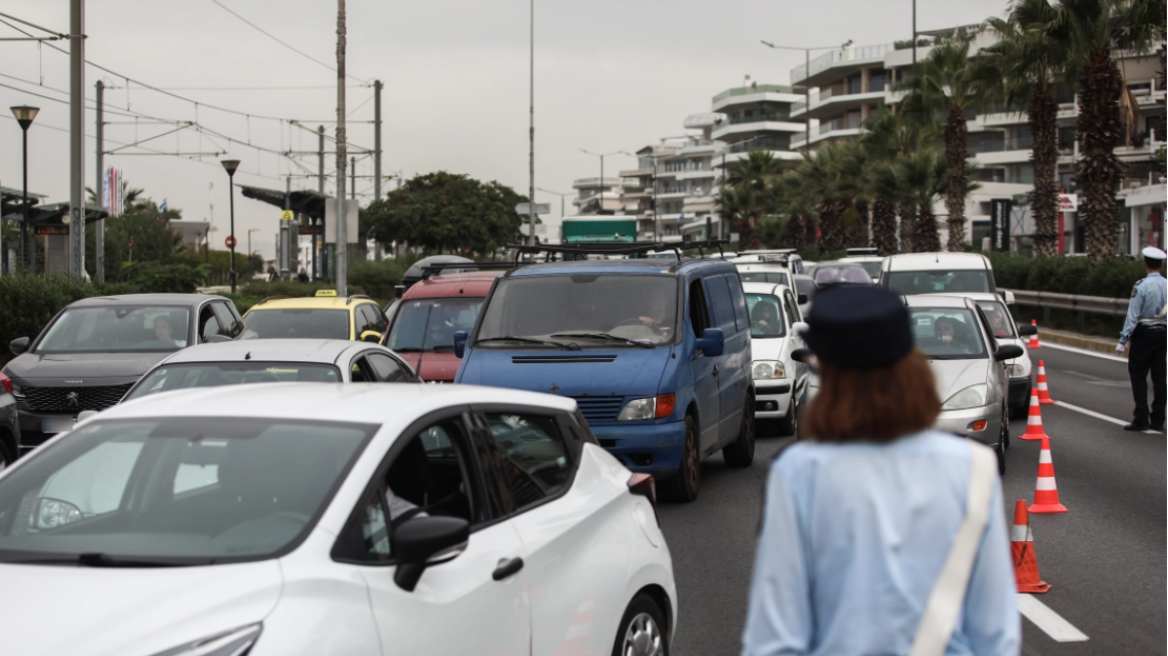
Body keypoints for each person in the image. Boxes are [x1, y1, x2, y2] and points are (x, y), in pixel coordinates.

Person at [741, 286, 1019, 656]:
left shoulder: (798, 473)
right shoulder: (974, 468)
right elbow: (995, 635)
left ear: (827, 375)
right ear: (912, 364)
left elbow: (774, 638)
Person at [1117, 246, 1167, 432]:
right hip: (1163, 335)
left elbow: (1133, 315)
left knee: (1138, 375)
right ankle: (1158, 419)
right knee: (1160, 376)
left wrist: (1123, 340)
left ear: (1145, 264)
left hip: (1144, 335)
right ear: (1161, 265)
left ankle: (1141, 417)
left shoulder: (1141, 286)